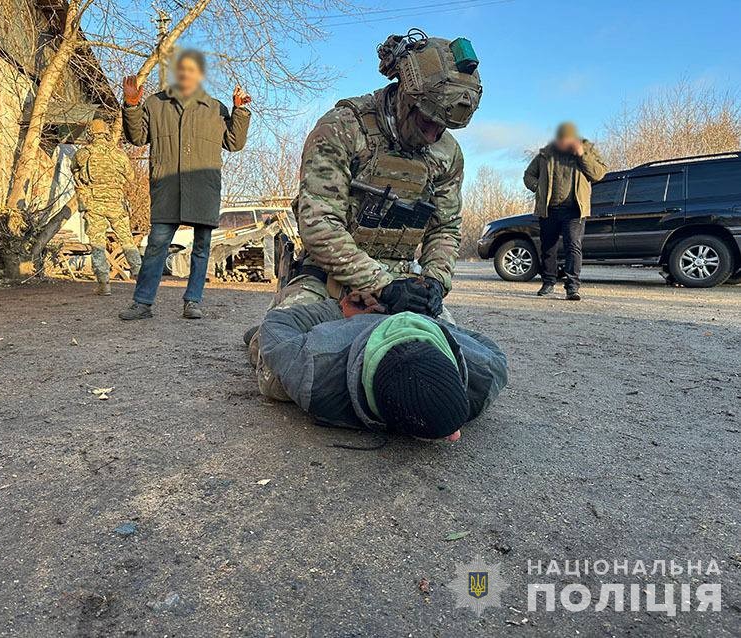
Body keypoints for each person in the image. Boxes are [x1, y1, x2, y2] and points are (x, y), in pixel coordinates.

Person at [248, 30, 483, 398]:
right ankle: (271, 328)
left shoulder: (446, 154)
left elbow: (446, 228)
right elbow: (319, 224)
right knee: (281, 380)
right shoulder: (342, 128)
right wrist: (381, 286)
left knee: (452, 377)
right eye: (426, 122)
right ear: (406, 96)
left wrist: (435, 282)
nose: (434, 135)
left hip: (405, 284)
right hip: (328, 279)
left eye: (445, 127)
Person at [253, 292, 508, 441]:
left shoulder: (485, 372)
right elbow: (276, 324)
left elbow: (491, 348)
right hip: (348, 324)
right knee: (272, 378)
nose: (457, 436)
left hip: (409, 314)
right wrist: (339, 309)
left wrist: (426, 317)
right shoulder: (317, 373)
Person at [118, 49, 251, 320]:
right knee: (156, 246)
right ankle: (142, 303)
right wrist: (132, 106)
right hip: (168, 189)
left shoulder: (215, 108)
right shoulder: (155, 105)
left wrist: (240, 111)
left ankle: (193, 301)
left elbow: (234, 143)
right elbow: (137, 138)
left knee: (201, 248)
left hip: (203, 189)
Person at [523, 122, 607, 300]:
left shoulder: (587, 150)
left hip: (574, 210)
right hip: (549, 209)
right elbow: (528, 175)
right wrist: (538, 187)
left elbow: (598, 174)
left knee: (573, 246)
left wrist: (582, 155)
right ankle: (548, 282)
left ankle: (572, 286)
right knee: (548, 247)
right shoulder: (545, 154)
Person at [71, 118, 141, 296]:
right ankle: (141, 278)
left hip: (93, 203)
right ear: (107, 133)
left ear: (90, 134)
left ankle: (104, 284)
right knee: (127, 240)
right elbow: (131, 177)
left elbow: (74, 169)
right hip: (116, 202)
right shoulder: (118, 154)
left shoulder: (83, 153)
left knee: (98, 243)